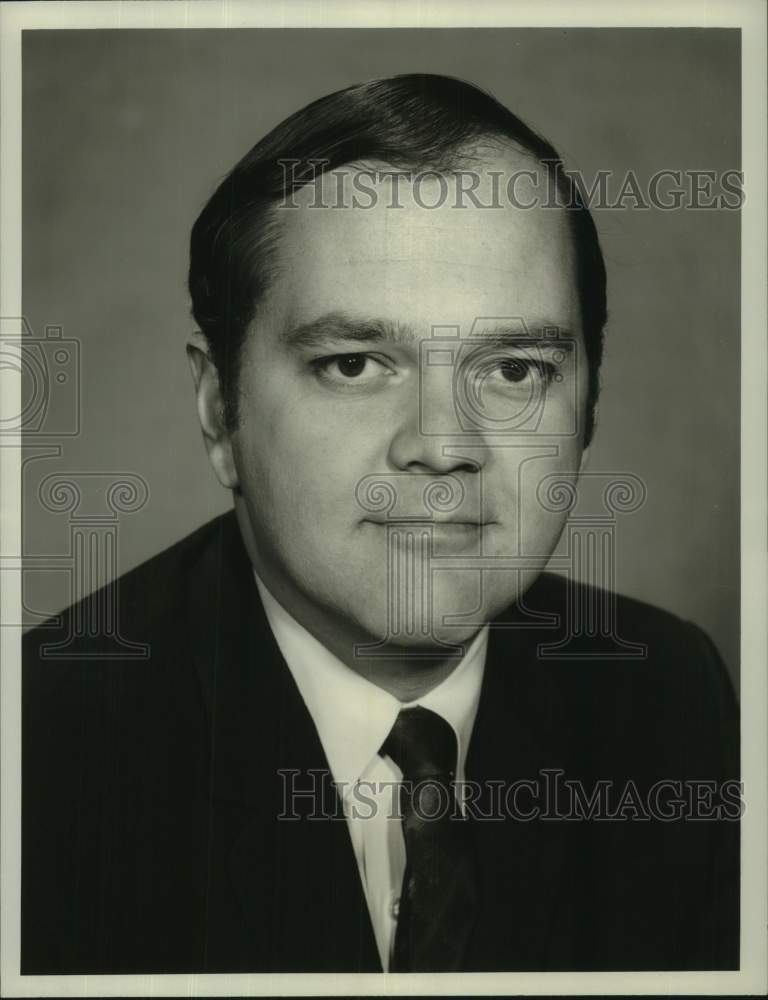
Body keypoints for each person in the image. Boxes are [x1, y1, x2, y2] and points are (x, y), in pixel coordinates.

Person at [22, 74, 739, 974]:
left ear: (590, 404)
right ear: (219, 409)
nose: (443, 446)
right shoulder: (42, 755)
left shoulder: (670, 700)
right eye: (355, 364)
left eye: (514, 370)